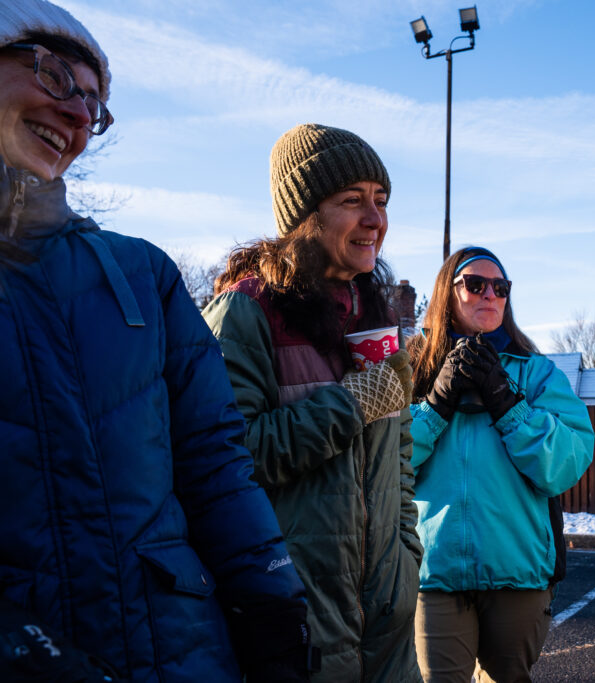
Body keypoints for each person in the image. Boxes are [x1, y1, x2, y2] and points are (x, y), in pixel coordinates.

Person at [0, 1, 313, 681]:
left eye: (94, 103)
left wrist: (269, 596)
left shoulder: (142, 273)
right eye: (55, 78)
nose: (80, 117)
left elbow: (214, 459)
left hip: (178, 653)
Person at [202, 123, 423, 682]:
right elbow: (230, 460)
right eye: (352, 201)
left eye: (381, 200)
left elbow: (397, 462)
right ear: (302, 216)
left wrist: (405, 559)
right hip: (298, 614)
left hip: (387, 617)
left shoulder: (372, 314)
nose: (375, 219)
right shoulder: (245, 313)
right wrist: (351, 404)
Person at [409, 246, 595, 682]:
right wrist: (435, 405)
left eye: (500, 287)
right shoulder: (413, 368)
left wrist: (506, 402)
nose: (489, 294)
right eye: (474, 284)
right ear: (446, 294)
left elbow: (562, 465)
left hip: (517, 572)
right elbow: (386, 462)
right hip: (432, 569)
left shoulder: (538, 373)